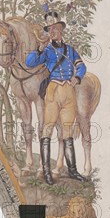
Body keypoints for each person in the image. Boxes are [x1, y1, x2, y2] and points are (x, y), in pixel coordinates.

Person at [26, 11, 87, 185]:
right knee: (48, 129)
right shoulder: (47, 50)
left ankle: (73, 170)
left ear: (61, 30)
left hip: (68, 90)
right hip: (53, 90)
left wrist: (78, 77)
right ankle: (46, 171)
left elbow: (81, 66)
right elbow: (31, 63)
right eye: (49, 29)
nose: (52, 32)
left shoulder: (70, 50)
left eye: (55, 29)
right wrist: (39, 48)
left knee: (67, 131)